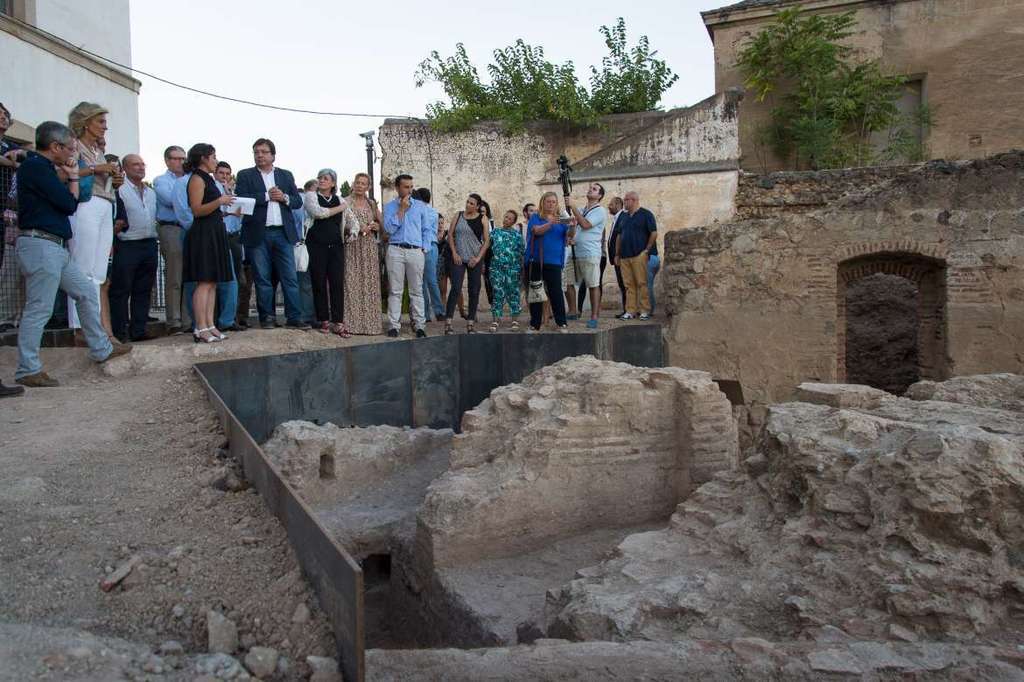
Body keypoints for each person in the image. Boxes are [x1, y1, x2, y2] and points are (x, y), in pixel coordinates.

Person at [13, 121, 132, 387]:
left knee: (86, 291)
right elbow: (68, 203)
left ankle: (101, 348)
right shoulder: (36, 167)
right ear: (54, 146)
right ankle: (27, 368)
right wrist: (75, 178)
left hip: (53, 245)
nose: (72, 154)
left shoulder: (42, 168)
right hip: (40, 244)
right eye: (68, 148)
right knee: (39, 308)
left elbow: (69, 203)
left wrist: (74, 177)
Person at [234, 138, 303, 329]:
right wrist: (267, 196)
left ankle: (294, 317)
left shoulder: (285, 175)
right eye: (256, 152)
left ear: (273, 155)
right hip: (258, 234)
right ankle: (267, 318)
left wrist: (285, 197)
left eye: (264, 152)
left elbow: (298, 201)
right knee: (262, 278)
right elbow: (241, 199)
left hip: (283, 233)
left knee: (289, 277)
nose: (260, 155)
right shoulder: (245, 175)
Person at [66, 102, 121, 342]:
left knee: (98, 272)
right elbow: (67, 170)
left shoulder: (98, 150)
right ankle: (79, 328)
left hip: (105, 204)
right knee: (82, 267)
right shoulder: (74, 146)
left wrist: (114, 178)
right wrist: (98, 168)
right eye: (100, 121)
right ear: (86, 122)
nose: (104, 127)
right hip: (85, 204)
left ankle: (95, 327)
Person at [181, 143, 234, 342]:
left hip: (214, 231)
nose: (216, 160)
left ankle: (210, 325)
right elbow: (197, 209)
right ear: (203, 158)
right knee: (203, 282)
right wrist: (220, 201)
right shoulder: (196, 179)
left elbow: (211, 209)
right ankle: (200, 327)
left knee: (212, 282)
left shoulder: (209, 179)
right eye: (213, 157)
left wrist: (225, 208)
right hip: (203, 234)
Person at [110, 154, 159, 342]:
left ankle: (139, 330)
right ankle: (119, 331)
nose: (140, 167)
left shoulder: (150, 192)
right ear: (125, 168)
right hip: (127, 243)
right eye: (135, 164)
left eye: (142, 164)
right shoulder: (119, 190)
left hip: (149, 243)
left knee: (143, 289)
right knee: (121, 290)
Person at [302, 168, 352, 336]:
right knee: (319, 282)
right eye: (320, 178)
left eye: (325, 178)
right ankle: (323, 319)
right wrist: (340, 208)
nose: (321, 181)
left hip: (336, 246)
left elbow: (353, 221)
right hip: (316, 246)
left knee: (337, 283)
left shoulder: (338, 198)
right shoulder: (311, 196)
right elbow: (318, 213)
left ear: (333, 183)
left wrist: (351, 233)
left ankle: (338, 321)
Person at [382, 173, 431, 338]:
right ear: (397, 188)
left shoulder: (420, 206)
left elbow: (427, 229)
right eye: (406, 187)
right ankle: (393, 326)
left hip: (415, 251)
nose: (409, 190)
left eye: (411, 187)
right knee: (395, 291)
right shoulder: (389, 207)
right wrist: (401, 210)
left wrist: (424, 248)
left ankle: (419, 326)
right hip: (395, 249)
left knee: (416, 291)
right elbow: (388, 229)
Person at [525, 191, 573, 332]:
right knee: (536, 293)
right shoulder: (536, 217)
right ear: (543, 203)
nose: (551, 204)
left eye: (553, 202)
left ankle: (561, 323)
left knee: (556, 292)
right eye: (548, 201)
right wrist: (550, 223)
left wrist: (573, 226)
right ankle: (535, 324)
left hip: (554, 261)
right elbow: (537, 231)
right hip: (537, 260)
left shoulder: (561, 219)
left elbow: (569, 235)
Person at [444, 193, 490, 334]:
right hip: (458, 258)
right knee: (456, 288)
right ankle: (448, 323)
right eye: (467, 202)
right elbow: (450, 234)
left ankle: (470, 323)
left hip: (474, 258)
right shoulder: (458, 215)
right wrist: (454, 252)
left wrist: (478, 258)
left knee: (474, 290)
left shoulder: (483, 218)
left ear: (477, 206)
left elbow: (487, 241)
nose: (468, 205)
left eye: (472, 203)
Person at [343, 172, 383, 335]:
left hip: (368, 247)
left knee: (369, 283)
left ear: (368, 187)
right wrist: (357, 228)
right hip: (352, 246)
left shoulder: (371, 203)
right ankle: (352, 325)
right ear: (353, 184)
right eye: (358, 183)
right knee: (351, 282)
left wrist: (376, 227)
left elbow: (381, 223)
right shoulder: (345, 202)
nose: (360, 186)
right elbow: (341, 224)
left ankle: (370, 325)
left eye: (363, 184)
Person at [153, 145, 187, 332]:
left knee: (190, 276)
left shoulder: (189, 180)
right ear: (167, 160)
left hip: (189, 228)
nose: (181, 162)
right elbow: (170, 200)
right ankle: (174, 321)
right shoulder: (161, 181)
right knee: (175, 275)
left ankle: (188, 320)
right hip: (171, 228)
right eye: (177, 158)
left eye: (183, 158)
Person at [565, 182, 607, 329]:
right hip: (574, 251)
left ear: (600, 195)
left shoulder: (600, 210)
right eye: (590, 188)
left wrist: (573, 207)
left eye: (594, 189)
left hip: (590, 253)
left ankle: (594, 316)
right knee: (568, 281)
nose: (590, 190)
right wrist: (570, 230)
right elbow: (574, 230)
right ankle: (572, 310)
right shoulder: (582, 210)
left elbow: (586, 225)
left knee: (593, 284)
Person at [615, 191, 657, 321]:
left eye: (626, 200)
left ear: (633, 200)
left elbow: (653, 233)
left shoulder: (646, 214)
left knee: (641, 283)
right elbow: (619, 236)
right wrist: (617, 254)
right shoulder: (623, 217)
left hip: (639, 255)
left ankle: (644, 310)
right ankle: (630, 311)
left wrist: (646, 250)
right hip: (624, 256)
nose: (624, 202)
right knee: (628, 285)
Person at [215, 161, 246, 331]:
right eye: (221, 173)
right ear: (215, 173)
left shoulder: (233, 192)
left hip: (235, 237)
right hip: (220, 237)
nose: (224, 176)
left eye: (227, 173)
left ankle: (231, 318)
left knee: (237, 280)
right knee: (223, 279)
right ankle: (221, 319)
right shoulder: (213, 191)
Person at [488, 209, 524, 332]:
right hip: (496, 268)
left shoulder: (517, 236)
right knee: (497, 293)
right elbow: (488, 248)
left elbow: (521, 253)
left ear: (513, 221)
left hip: (512, 269)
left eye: (509, 218)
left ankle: (514, 320)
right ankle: (496, 320)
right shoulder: (495, 232)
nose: (506, 219)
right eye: (505, 217)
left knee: (513, 293)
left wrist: (520, 270)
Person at [415, 187, 444, 321]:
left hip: (426, 246)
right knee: (429, 281)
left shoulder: (426, 211)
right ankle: (437, 312)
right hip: (430, 246)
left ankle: (429, 313)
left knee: (425, 282)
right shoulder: (434, 212)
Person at [294, 179, 317, 327]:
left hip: (314, 246)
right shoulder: (300, 205)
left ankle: (309, 314)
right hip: (302, 245)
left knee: (310, 282)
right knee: (304, 282)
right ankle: (305, 315)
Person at [605, 196, 628, 317]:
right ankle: (626, 309)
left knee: (625, 284)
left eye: (611, 204)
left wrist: (618, 254)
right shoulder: (617, 218)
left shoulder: (623, 217)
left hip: (621, 258)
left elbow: (621, 237)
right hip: (617, 258)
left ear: (618, 205)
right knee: (622, 284)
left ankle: (628, 310)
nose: (609, 206)